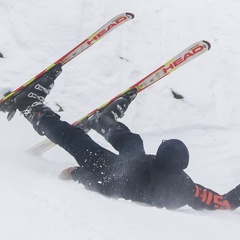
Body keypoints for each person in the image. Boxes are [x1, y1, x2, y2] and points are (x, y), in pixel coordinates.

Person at [12, 66, 240, 211]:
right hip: (129, 169)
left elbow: (106, 187)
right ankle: (104, 120)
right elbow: (222, 202)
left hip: (108, 169)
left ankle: (31, 107)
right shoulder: (185, 188)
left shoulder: (135, 175)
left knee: (72, 137)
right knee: (133, 145)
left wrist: (76, 174)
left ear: (159, 158)